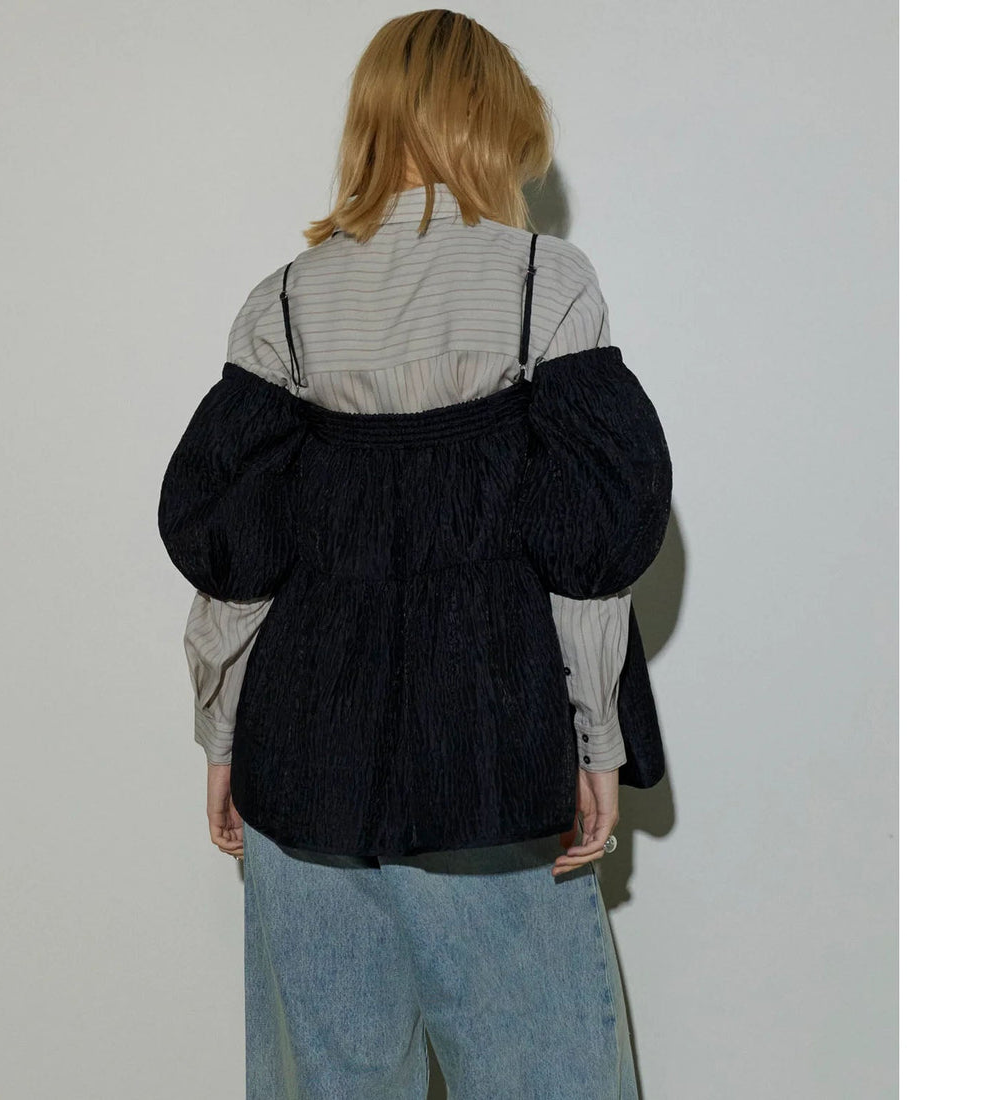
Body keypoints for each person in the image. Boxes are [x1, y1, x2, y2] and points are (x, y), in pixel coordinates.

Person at [158, 10, 672, 1098]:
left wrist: (222, 737)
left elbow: (233, 559)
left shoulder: (283, 303)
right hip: (489, 765)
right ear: (487, 127)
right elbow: (586, 550)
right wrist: (596, 740)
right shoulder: (543, 284)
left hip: (301, 767)